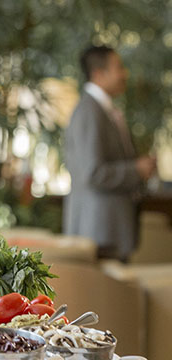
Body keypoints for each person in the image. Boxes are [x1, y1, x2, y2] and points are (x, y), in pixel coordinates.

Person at [63, 45, 156, 261]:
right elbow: (93, 173)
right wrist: (136, 169)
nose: (125, 74)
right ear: (98, 73)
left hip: (109, 231)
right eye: (119, 67)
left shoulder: (104, 110)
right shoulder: (89, 111)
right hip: (98, 231)